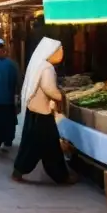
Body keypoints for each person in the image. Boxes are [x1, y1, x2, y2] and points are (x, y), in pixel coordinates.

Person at [13, 38, 76, 184]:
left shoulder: (39, 65)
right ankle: (62, 177)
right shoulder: (47, 68)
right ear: (51, 52)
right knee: (51, 146)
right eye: (60, 51)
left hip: (34, 111)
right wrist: (62, 96)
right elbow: (49, 88)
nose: (62, 54)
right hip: (42, 113)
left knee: (31, 144)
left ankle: (19, 170)